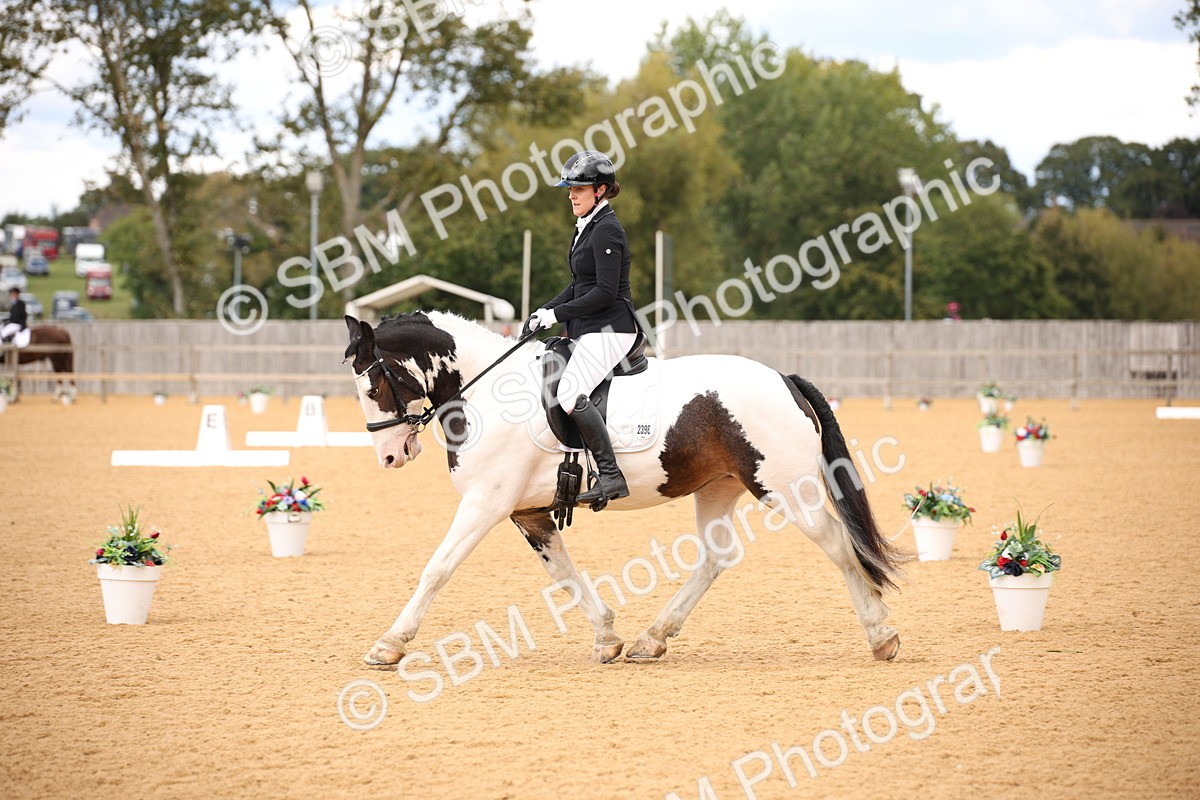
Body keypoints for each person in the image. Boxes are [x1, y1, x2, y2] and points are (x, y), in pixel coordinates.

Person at [524, 150, 639, 507]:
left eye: (579, 188)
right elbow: (578, 285)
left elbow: (604, 292)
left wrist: (556, 315)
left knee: (571, 392)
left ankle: (610, 474)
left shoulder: (607, 230)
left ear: (601, 190)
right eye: (569, 189)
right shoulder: (586, 226)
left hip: (613, 329)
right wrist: (545, 310)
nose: (571, 195)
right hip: (590, 328)